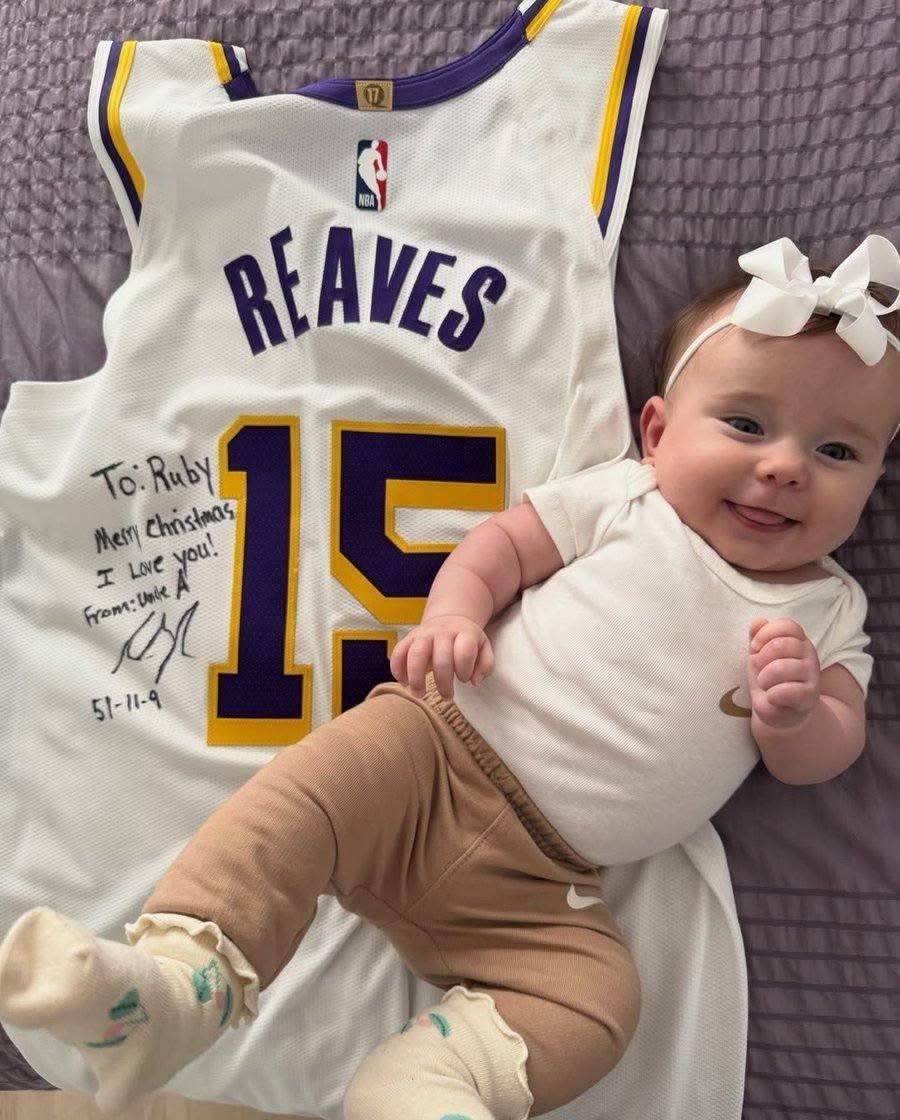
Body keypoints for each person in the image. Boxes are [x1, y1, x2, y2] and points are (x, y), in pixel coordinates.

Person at [1, 236, 898, 1120]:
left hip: (545, 883)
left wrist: (796, 718)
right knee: (290, 812)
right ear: (658, 434)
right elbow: (503, 545)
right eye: (746, 425)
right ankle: (180, 985)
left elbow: (830, 749)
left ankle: (429, 1081)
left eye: (837, 453)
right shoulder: (630, 500)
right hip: (429, 750)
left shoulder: (828, 611)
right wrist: (454, 616)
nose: (784, 468)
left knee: (598, 1002)